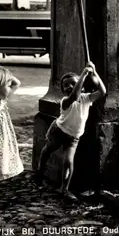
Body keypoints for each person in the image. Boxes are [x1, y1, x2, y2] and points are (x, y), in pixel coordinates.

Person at [35, 61, 106, 201]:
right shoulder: (65, 100)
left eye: (73, 84)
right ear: (62, 90)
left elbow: (103, 92)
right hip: (59, 131)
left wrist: (95, 73)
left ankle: (64, 188)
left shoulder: (87, 99)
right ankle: (40, 173)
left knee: (68, 161)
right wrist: (84, 74)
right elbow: (74, 96)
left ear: (82, 87)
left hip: (74, 136)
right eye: (66, 85)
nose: (69, 87)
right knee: (48, 150)